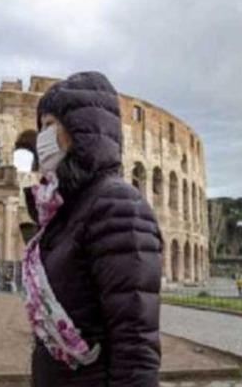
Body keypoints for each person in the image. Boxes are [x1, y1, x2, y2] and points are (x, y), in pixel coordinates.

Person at [22, 72, 162, 386]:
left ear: (80, 130)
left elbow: (136, 343)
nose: (41, 139)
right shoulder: (65, 210)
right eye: (39, 127)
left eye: (48, 126)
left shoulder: (117, 206)